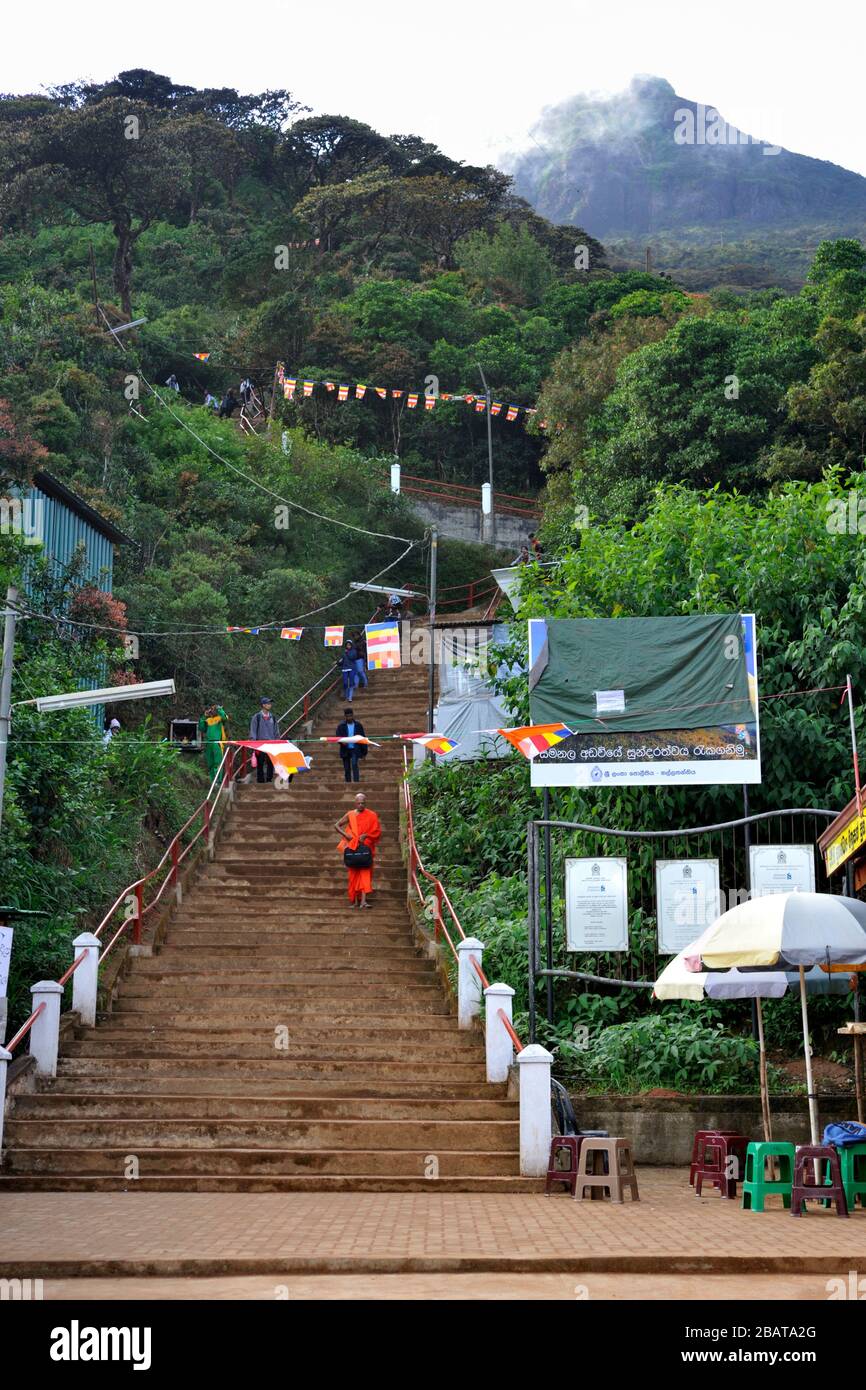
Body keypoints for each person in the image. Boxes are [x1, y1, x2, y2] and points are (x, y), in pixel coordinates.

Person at [335, 792, 382, 909]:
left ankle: (364, 902)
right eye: (358, 803)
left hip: (366, 848)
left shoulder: (372, 815)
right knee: (354, 874)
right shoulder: (350, 814)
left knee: (365, 873)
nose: (361, 805)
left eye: (363, 803)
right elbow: (336, 825)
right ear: (355, 803)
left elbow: (377, 832)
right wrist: (346, 835)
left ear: (366, 803)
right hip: (353, 847)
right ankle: (355, 901)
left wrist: (366, 835)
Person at [249, 697, 279, 784]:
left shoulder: (273, 717)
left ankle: (269, 779)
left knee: (271, 762)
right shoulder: (257, 717)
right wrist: (253, 743)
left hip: (271, 744)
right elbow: (253, 730)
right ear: (263, 705)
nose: (270, 705)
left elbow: (276, 731)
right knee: (260, 762)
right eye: (268, 703)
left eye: (270, 703)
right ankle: (260, 780)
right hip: (260, 744)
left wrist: (277, 741)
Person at [335, 708, 367, 784]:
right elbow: (338, 737)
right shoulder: (341, 726)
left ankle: (356, 782)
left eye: (350, 716)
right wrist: (342, 742)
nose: (349, 718)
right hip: (345, 749)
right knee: (347, 768)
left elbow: (363, 738)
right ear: (345, 717)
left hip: (355, 749)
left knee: (354, 764)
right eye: (347, 716)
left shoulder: (358, 725)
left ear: (353, 715)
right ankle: (348, 783)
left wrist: (364, 752)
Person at [199, 703, 229, 780]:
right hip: (208, 743)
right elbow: (201, 728)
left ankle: (218, 781)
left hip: (217, 743)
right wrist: (204, 716)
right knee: (210, 763)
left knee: (217, 762)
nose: (212, 711)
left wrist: (219, 709)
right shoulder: (208, 720)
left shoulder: (220, 718)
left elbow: (225, 717)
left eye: (213, 709)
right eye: (211, 709)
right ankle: (213, 781)